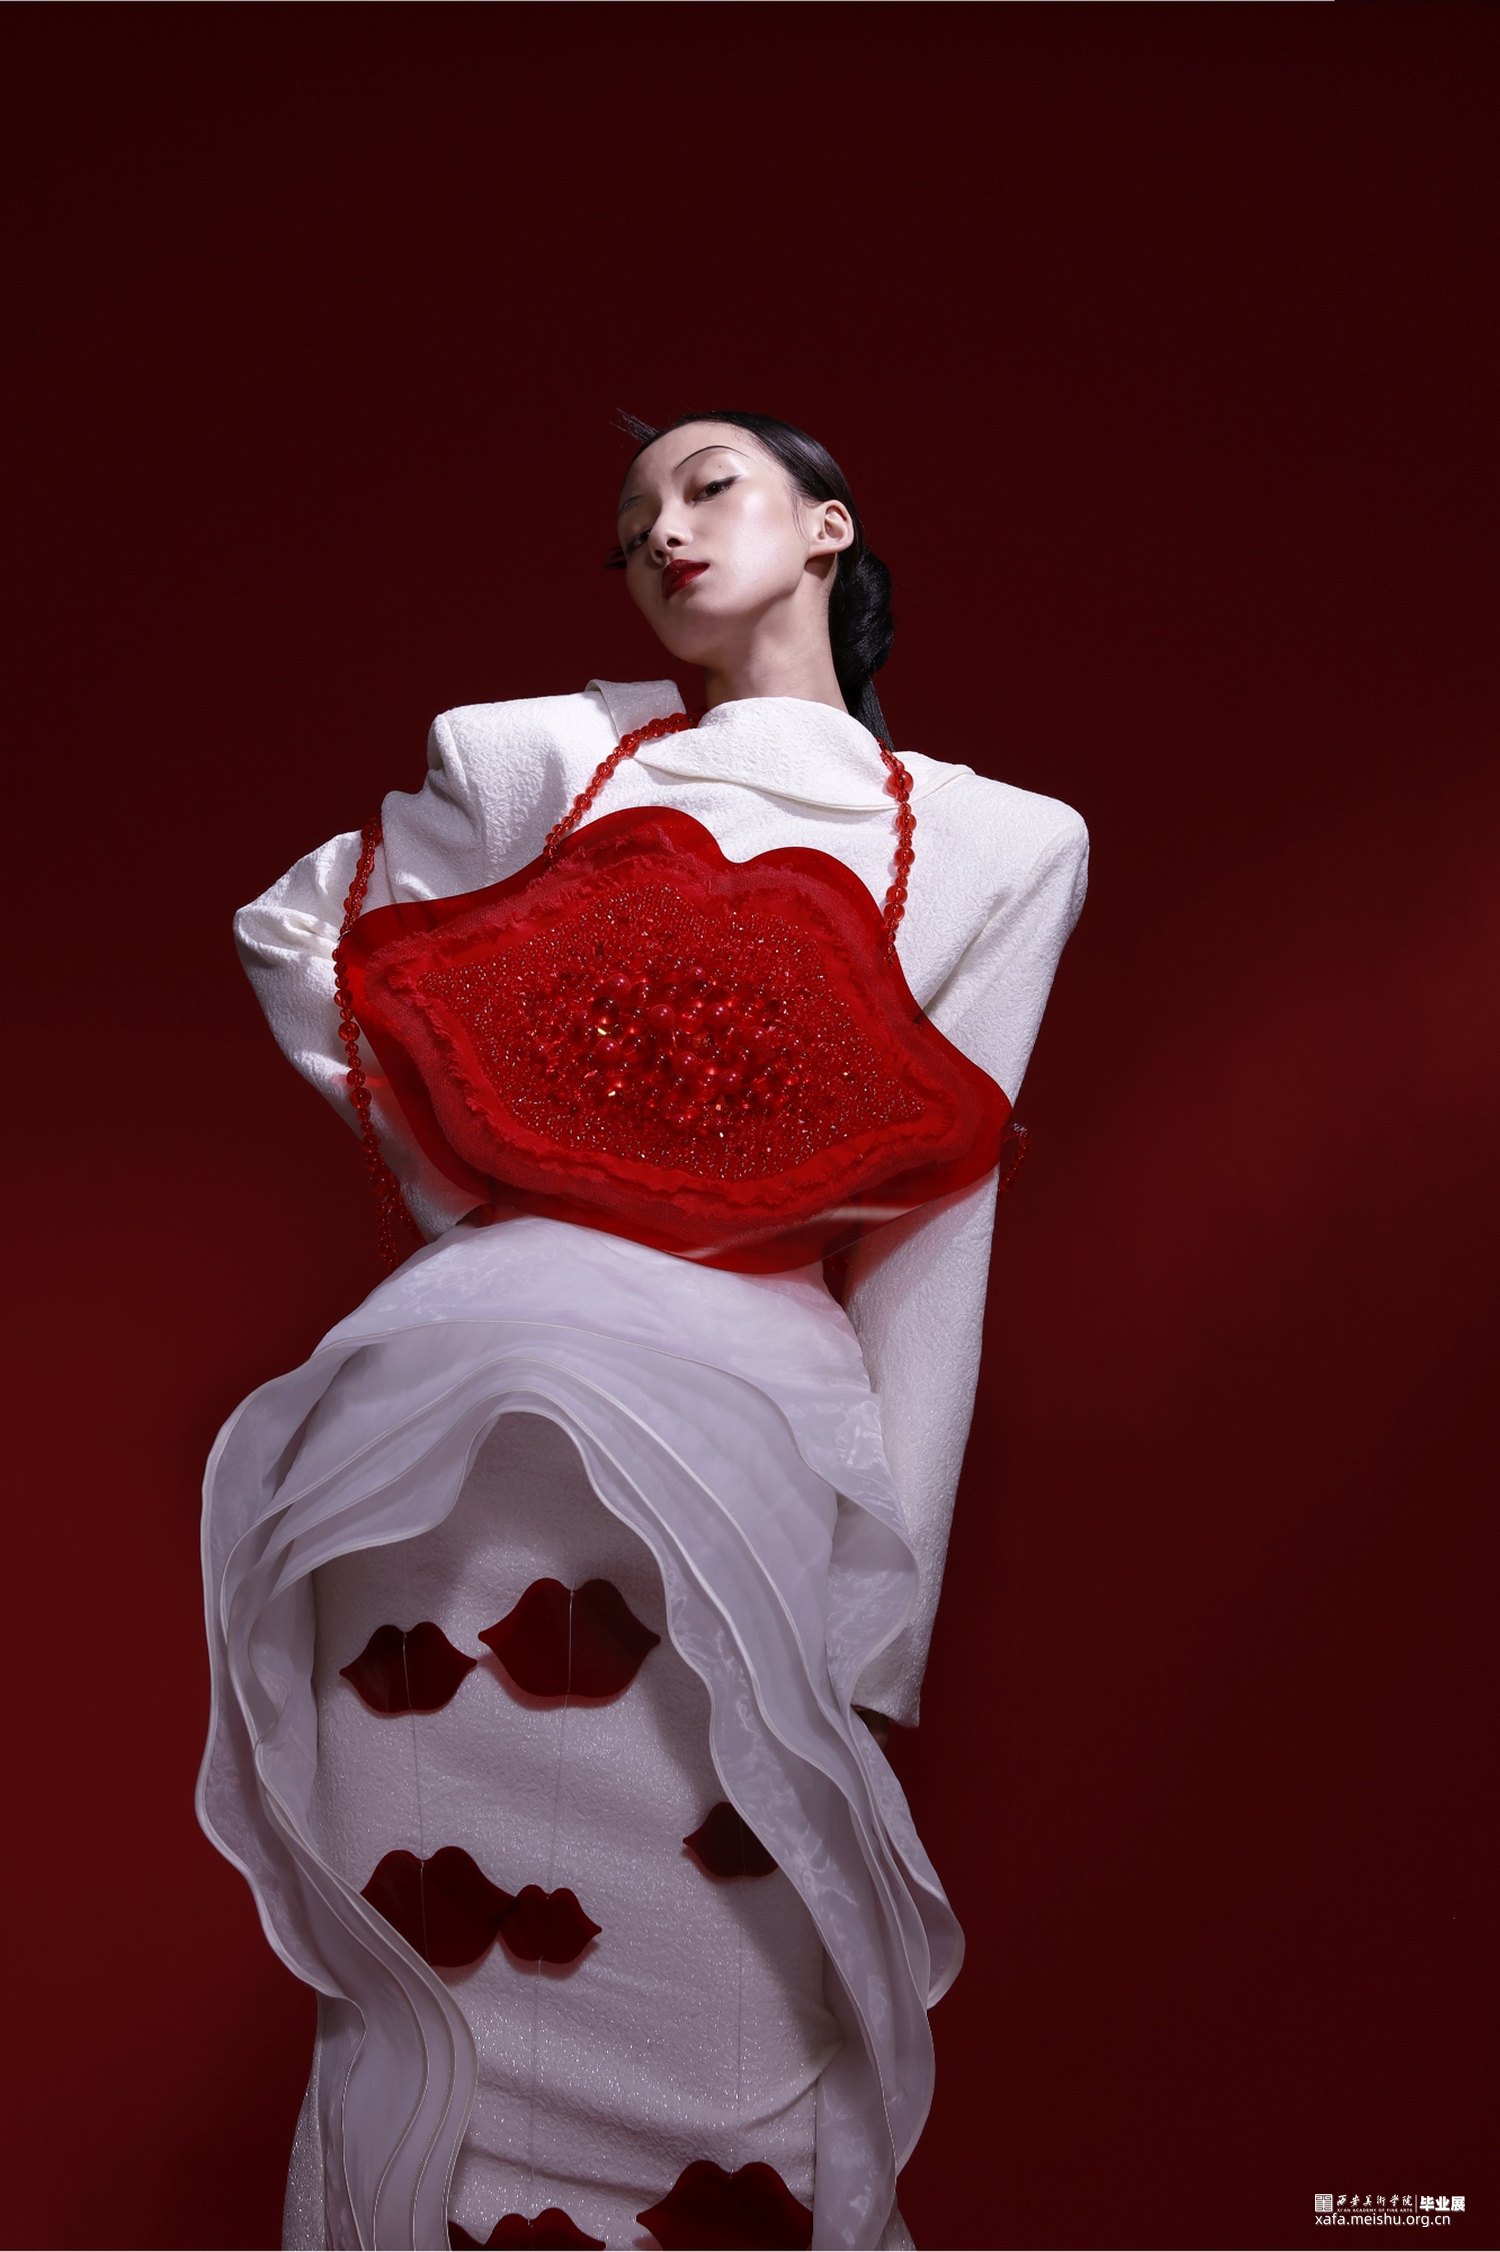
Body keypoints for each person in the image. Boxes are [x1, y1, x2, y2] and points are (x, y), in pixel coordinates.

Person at [195, 408, 1089, 2252]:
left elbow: (939, 1232)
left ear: (827, 526)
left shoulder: (1007, 842)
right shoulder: (541, 754)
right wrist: (500, 1186)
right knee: (430, 1988)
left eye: (707, 487)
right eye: (631, 522)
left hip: (744, 1439)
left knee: (740, 2001)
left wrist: (877, 1615)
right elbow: (313, 943)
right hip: (455, 1451)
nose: (662, 534)